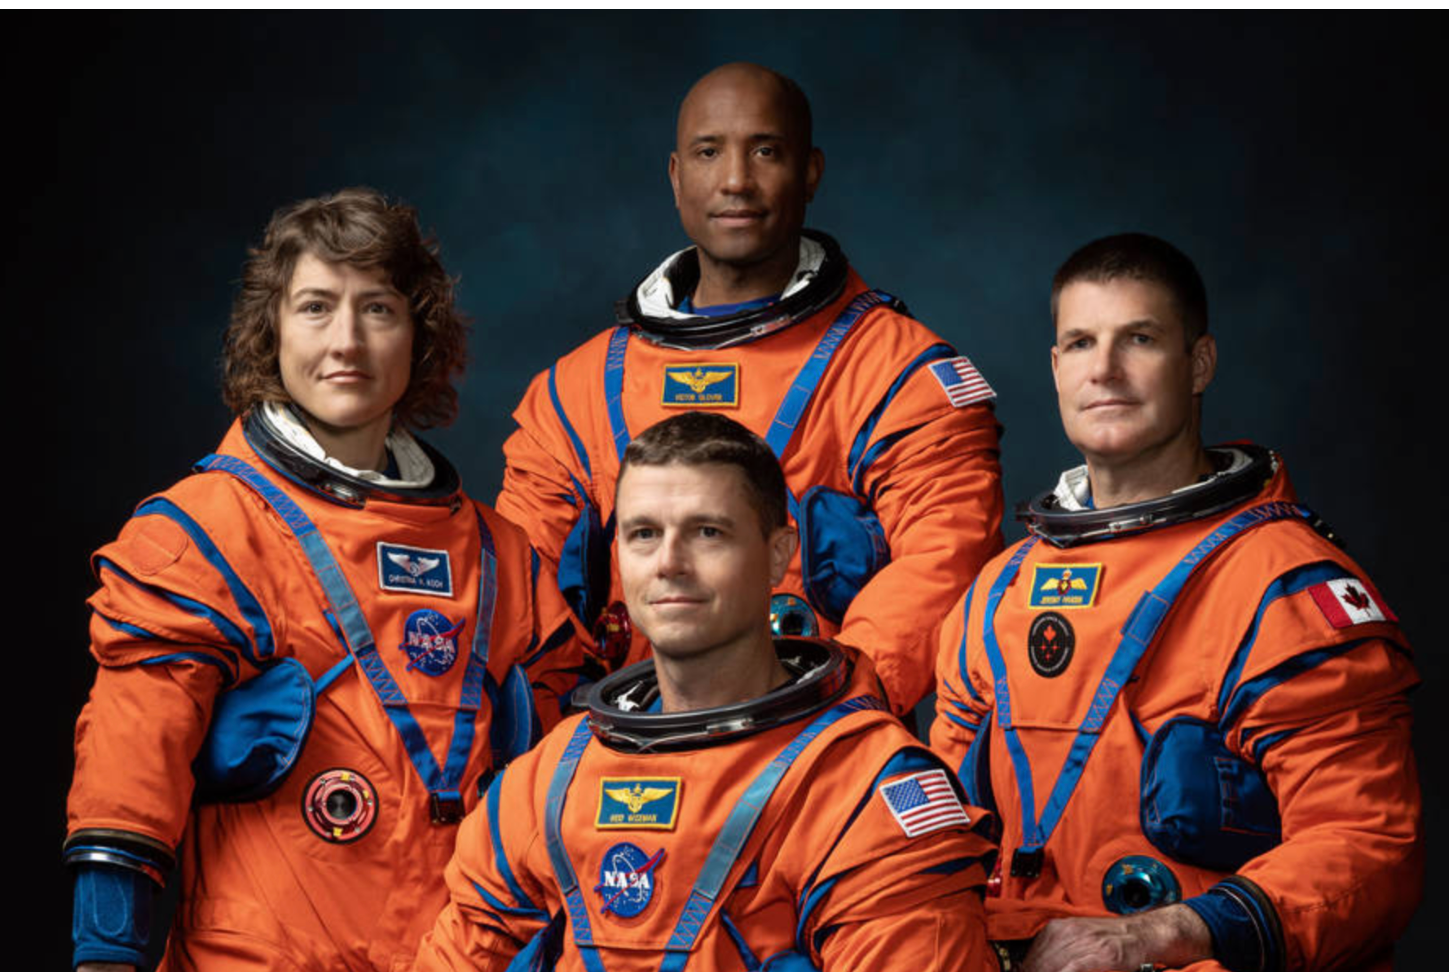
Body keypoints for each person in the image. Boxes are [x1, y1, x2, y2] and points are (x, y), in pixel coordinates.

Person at [64, 188, 590, 971]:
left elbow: (560, 795)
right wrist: (107, 955)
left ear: (420, 335)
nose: (346, 341)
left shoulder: (500, 559)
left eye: (377, 309)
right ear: (269, 331)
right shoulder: (205, 534)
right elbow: (128, 764)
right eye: (315, 307)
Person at [931, 233, 1422, 972]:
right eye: (1081, 342)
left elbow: (1367, 846)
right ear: (1056, 368)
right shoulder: (996, 595)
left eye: (1140, 339)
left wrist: (1161, 934)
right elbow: (937, 831)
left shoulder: (1282, 586)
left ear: (1198, 364)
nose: (1105, 370)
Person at [496, 62, 1003, 714]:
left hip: (813, 753)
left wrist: (826, 716)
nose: (736, 180)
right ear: (677, 177)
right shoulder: (576, 392)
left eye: (765, 151)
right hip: (617, 756)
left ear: (811, 172)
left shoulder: (897, 373)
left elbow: (944, 562)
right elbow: (519, 589)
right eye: (710, 153)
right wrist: (567, 745)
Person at [419, 412, 998, 971]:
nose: (670, 563)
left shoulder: (864, 788)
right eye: (644, 534)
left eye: (707, 532)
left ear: (779, 555)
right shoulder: (546, 782)